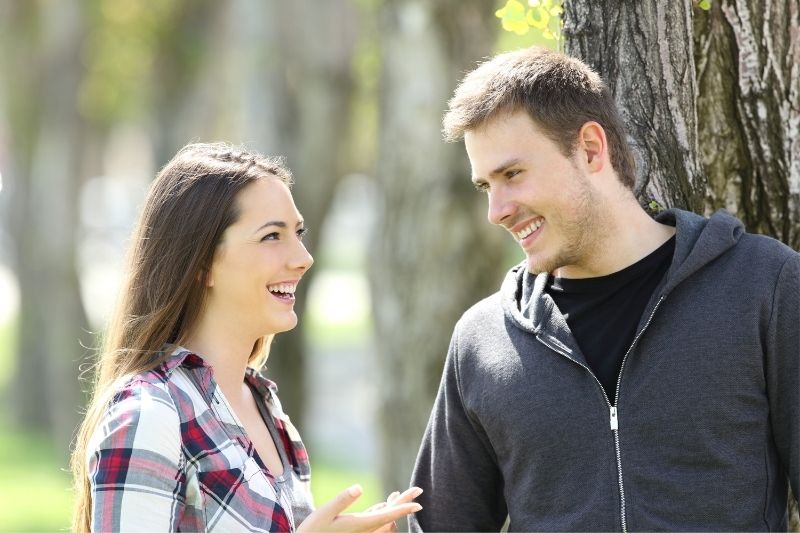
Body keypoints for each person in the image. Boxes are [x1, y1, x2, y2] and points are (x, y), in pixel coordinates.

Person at [409, 46, 799, 531]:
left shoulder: (764, 286)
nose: (498, 210)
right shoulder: (483, 340)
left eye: (512, 174)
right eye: (486, 186)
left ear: (591, 149)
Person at [70, 143, 422, 532]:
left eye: (298, 232)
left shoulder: (263, 405)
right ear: (202, 263)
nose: (303, 257)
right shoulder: (149, 414)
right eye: (272, 236)